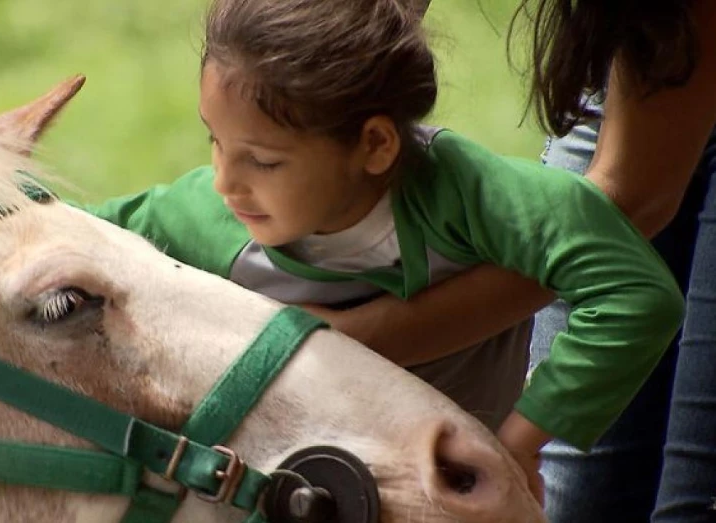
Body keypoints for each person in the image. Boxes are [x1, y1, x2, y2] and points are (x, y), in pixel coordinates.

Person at [81, 0, 685, 500]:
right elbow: (54, 242)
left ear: (374, 144)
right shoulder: (201, 216)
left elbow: (637, 294)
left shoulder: (476, 198)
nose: (224, 182)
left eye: (263, 160)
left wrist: (520, 441)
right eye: (215, 142)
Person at [329, 0, 716, 520]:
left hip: (671, 22)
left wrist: (519, 437)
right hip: (637, 33)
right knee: (570, 502)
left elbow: (625, 224)